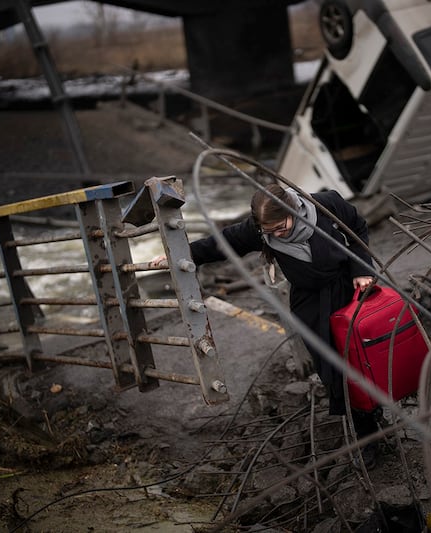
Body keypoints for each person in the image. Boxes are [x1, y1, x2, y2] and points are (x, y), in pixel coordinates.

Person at [151, 183, 381, 468]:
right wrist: (179, 255)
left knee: (365, 357)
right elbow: (221, 244)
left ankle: (376, 414)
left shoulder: (326, 205)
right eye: (270, 231)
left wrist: (362, 270)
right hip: (310, 306)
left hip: (348, 290)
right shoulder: (260, 231)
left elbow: (358, 227)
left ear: (294, 211)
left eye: (282, 226)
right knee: (334, 369)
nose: (278, 234)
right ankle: (367, 433)